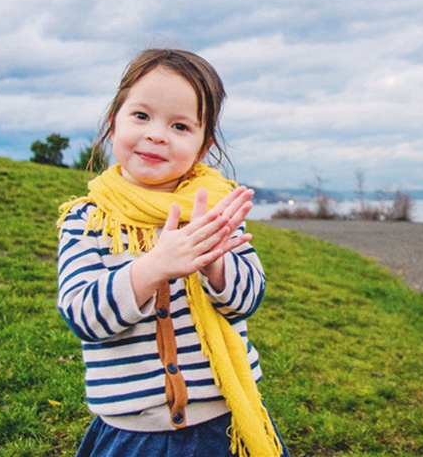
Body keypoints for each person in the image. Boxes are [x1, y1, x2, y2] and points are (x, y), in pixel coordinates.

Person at [57, 48, 288, 456]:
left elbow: (247, 300)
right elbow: (83, 316)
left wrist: (214, 262)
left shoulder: (216, 207)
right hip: (133, 436)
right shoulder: (87, 220)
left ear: (203, 145)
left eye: (181, 126)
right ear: (114, 123)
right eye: (141, 116)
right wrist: (154, 267)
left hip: (222, 426)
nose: (157, 134)